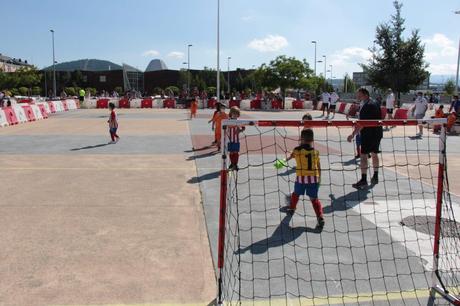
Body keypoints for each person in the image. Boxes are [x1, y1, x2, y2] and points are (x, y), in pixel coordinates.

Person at [282, 128, 324, 229]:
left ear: (301, 139)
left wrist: (281, 162)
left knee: (296, 194)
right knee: (314, 199)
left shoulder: (297, 150)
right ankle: (320, 217)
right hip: (314, 178)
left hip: (301, 178)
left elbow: (289, 157)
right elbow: (319, 167)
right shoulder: (316, 152)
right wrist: (319, 179)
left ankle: (292, 208)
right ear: (312, 140)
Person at [347, 88, 383, 189]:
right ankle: (375, 176)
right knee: (374, 153)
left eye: (359, 95)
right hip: (377, 132)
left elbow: (363, 123)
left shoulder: (367, 105)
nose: (357, 97)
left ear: (365, 94)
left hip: (368, 133)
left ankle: (363, 180)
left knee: (363, 156)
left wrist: (353, 134)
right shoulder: (375, 102)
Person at [227, 107, 244, 171]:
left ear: (238, 114)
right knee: (231, 152)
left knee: (236, 152)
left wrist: (239, 131)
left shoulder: (239, 121)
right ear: (231, 113)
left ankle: (235, 164)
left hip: (236, 140)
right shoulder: (228, 121)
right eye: (233, 113)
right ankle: (232, 163)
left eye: (236, 113)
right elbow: (224, 127)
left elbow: (243, 127)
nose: (235, 115)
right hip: (229, 140)